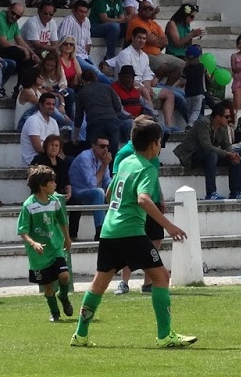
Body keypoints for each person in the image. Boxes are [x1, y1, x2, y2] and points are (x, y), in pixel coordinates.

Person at [70, 117, 194, 349]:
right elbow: (143, 198)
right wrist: (169, 226)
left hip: (110, 230)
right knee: (161, 278)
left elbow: (109, 192)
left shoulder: (126, 162)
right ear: (154, 144)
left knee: (99, 284)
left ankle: (80, 335)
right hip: (130, 231)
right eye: (159, 143)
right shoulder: (147, 167)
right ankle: (165, 335)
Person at [17, 166, 74, 323]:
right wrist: (33, 243)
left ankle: (63, 295)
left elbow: (62, 221)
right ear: (42, 186)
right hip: (39, 254)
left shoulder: (55, 202)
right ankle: (54, 312)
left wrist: (67, 238)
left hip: (55, 247)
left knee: (64, 276)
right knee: (48, 287)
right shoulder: (29, 205)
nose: (55, 184)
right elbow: (22, 231)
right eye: (52, 181)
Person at [175, 105, 241, 201]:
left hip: (208, 155)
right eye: (226, 117)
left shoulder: (223, 126)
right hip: (191, 155)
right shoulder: (203, 123)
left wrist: (233, 155)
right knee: (212, 155)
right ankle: (211, 193)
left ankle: (238, 191)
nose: (229, 119)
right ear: (218, 117)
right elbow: (206, 146)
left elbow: (226, 144)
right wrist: (227, 154)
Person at [68, 135, 113, 239]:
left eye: (107, 146)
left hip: (92, 193)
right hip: (77, 192)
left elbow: (107, 181)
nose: (105, 149)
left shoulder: (102, 159)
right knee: (99, 192)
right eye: (102, 146)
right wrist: (105, 165)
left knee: (111, 192)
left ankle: (112, 229)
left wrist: (113, 189)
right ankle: (100, 231)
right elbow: (92, 183)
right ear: (93, 146)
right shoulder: (85, 157)